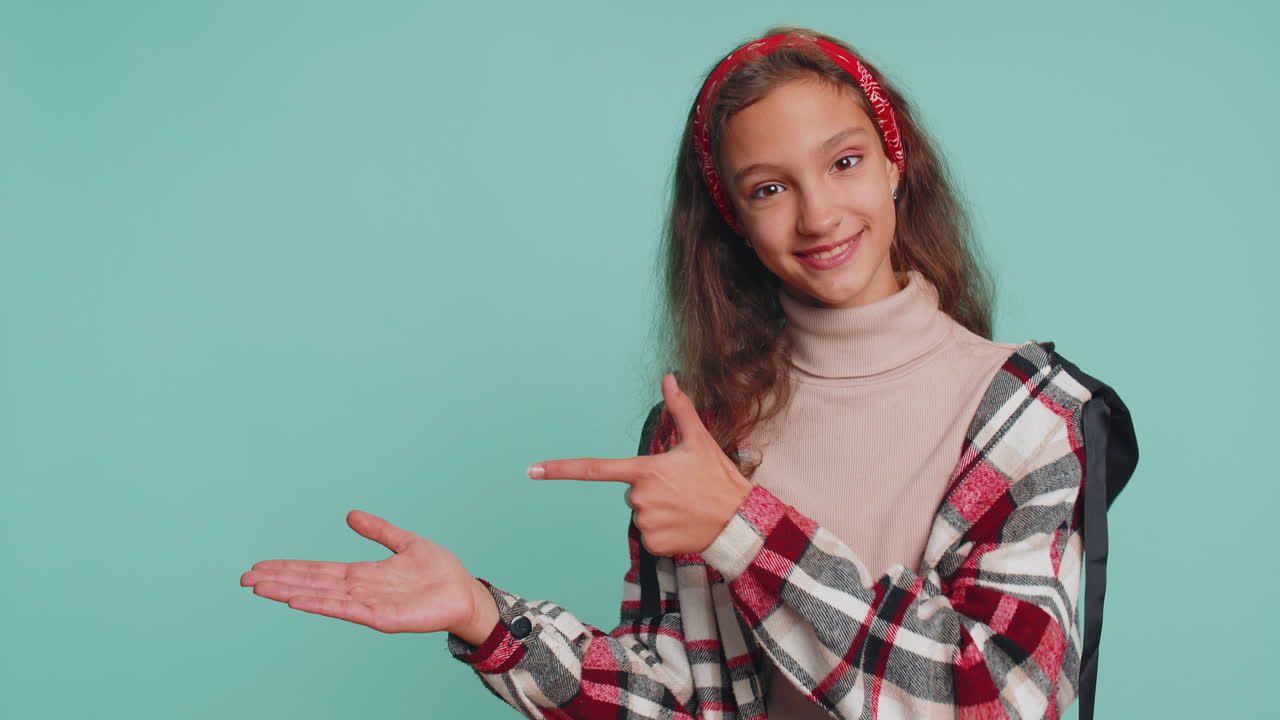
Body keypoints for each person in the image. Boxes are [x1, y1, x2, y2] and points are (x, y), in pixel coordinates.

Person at [240, 25, 1136, 719]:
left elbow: (994, 699)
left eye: (845, 161)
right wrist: (484, 617)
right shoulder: (707, 435)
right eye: (769, 187)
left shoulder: (1026, 415)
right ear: (733, 221)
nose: (820, 212)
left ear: (896, 163)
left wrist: (744, 529)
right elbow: (676, 699)